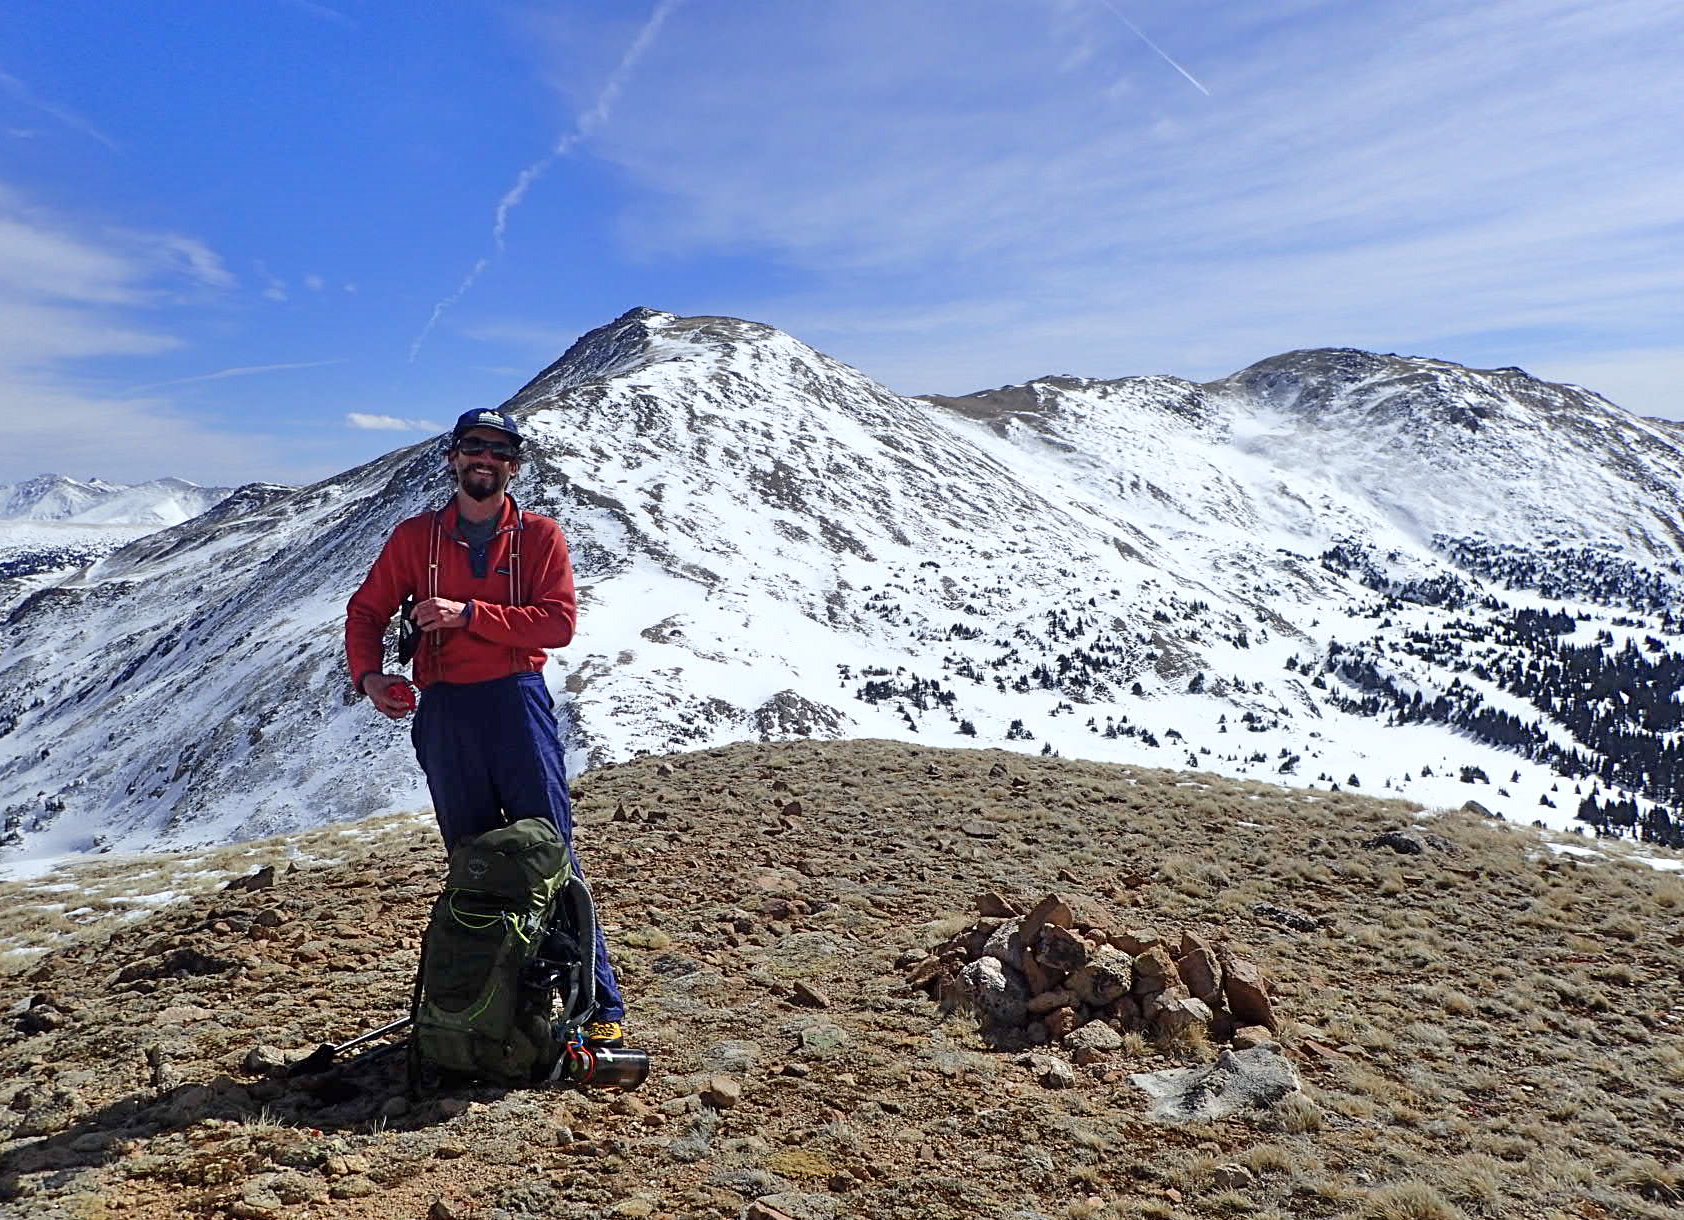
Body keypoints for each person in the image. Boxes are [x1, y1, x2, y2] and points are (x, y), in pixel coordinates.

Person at [345, 407, 626, 1046]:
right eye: (474, 447)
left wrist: (469, 614)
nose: (485, 459)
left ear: (513, 466)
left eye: (498, 451)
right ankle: (491, 1000)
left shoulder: (540, 537)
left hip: (515, 701)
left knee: (549, 850)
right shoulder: (416, 538)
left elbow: (557, 624)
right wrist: (371, 678)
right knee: (471, 859)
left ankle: (596, 1003)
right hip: (445, 710)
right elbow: (366, 612)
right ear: (453, 458)